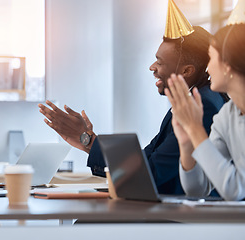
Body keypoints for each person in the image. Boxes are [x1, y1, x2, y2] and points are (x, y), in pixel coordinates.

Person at [38, 0, 227, 195]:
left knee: (85, 222)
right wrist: (88, 141)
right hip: (163, 209)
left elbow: (149, 173)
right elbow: (145, 158)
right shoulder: (189, 102)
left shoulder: (202, 106)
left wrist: (87, 141)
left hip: (180, 218)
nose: (152, 67)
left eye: (160, 62)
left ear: (187, 70)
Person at [165, 20, 245, 201]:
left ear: (227, 65)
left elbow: (236, 190)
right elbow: (197, 188)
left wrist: (195, 129)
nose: (208, 68)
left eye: (212, 57)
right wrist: (186, 144)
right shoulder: (228, 114)